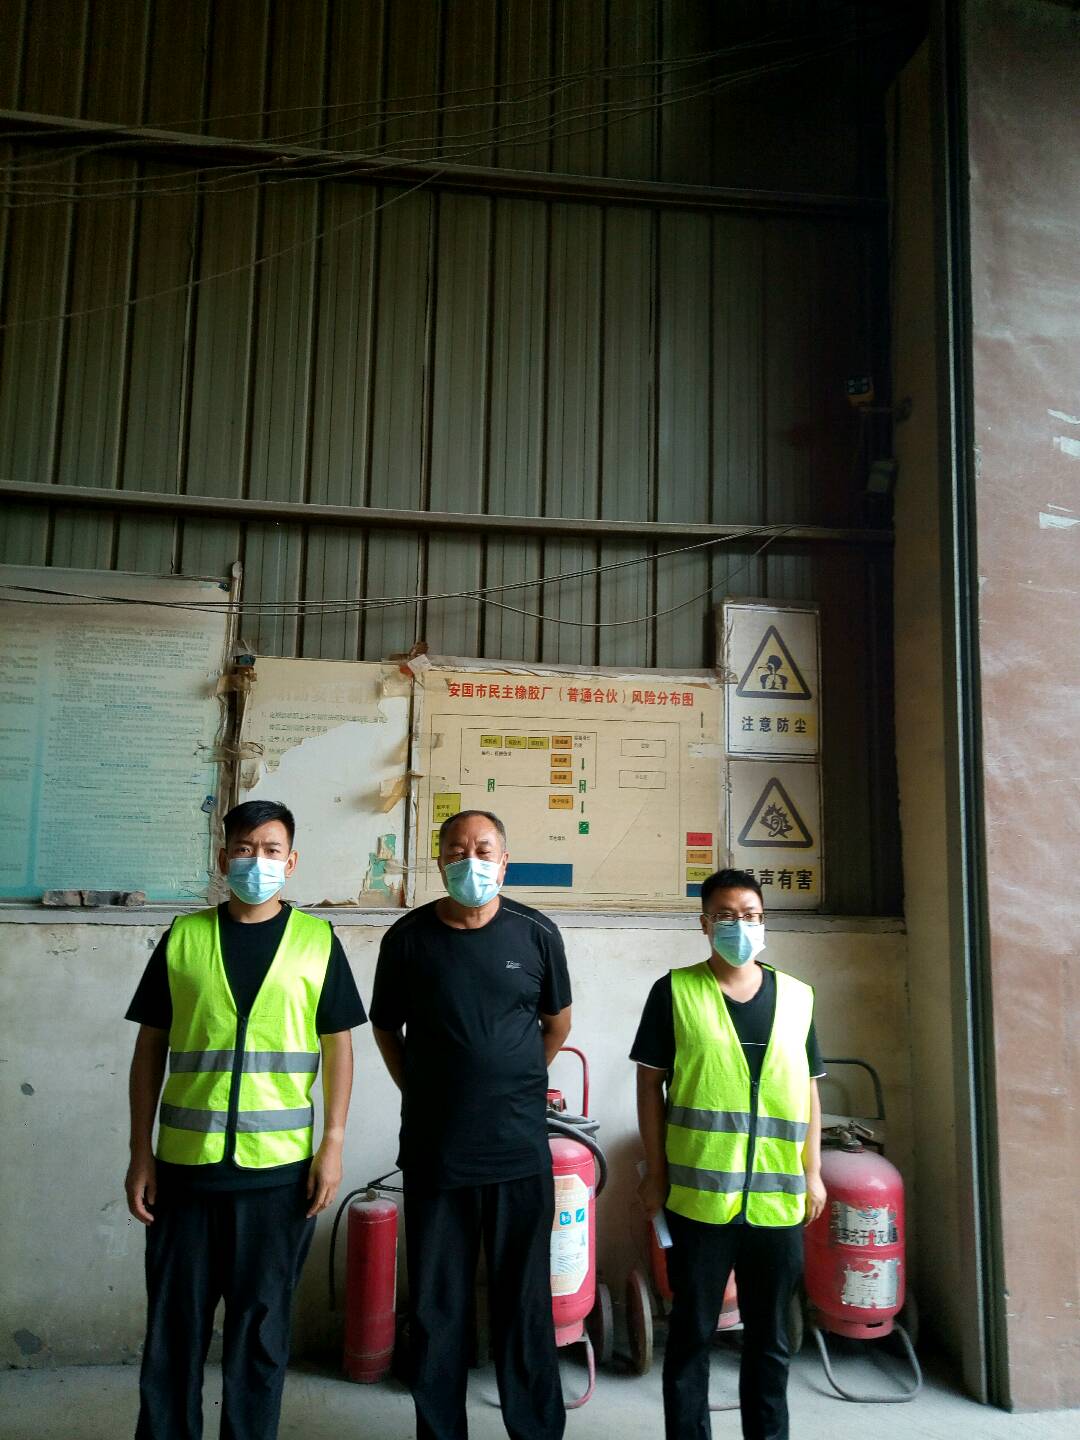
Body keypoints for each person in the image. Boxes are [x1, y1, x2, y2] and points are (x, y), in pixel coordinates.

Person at [124, 799, 367, 1440]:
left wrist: (333, 1143)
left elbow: (339, 1045)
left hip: (278, 1177)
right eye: (243, 848)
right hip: (184, 1173)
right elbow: (150, 1047)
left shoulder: (317, 942)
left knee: (261, 1337)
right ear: (223, 856)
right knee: (173, 1334)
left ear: (292, 860)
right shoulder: (184, 938)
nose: (256, 861)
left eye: (270, 850)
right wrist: (141, 1152)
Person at [370, 809, 572, 1440]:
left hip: (518, 1152)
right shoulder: (407, 938)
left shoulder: (536, 933)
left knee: (524, 1305)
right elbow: (385, 1027)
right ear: (440, 863)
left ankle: (534, 1430)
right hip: (437, 1154)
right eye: (457, 852)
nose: (471, 861)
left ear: (504, 862)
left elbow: (556, 1024)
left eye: (484, 850)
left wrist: (510, 1084)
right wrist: (422, 1089)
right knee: (438, 1308)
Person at [631, 868, 826, 1440]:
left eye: (750, 915)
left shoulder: (798, 996)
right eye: (725, 915)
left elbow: (810, 1089)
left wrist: (813, 1172)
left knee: (770, 1339)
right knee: (691, 1336)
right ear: (704, 923)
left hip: (776, 1201)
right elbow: (650, 1084)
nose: (739, 925)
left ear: (764, 921)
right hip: (699, 1202)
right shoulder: (675, 992)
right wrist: (655, 1173)